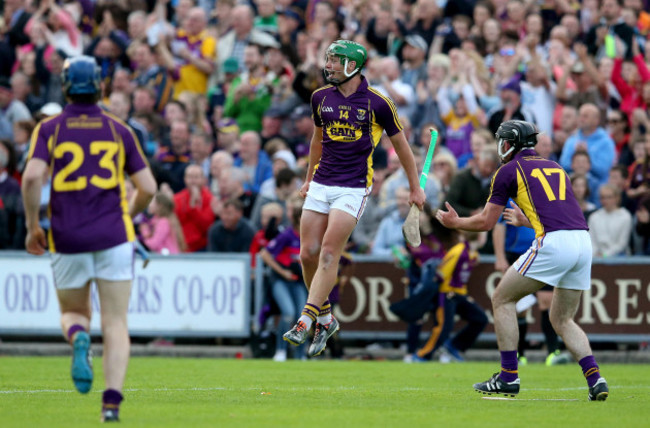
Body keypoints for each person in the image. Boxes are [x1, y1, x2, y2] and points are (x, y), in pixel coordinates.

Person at [21, 56, 157, 421]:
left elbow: (32, 178)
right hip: (113, 235)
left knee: (72, 312)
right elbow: (148, 187)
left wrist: (33, 224)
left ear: (65, 86)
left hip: (67, 237)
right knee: (116, 322)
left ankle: (79, 335)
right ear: (100, 86)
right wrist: (128, 213)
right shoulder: (119, 130)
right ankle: (111, 404)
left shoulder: (49, 129)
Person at [436, 120, 609, 401]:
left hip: (555, 244)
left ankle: (508, 377)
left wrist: (456, 222)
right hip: (582, 242)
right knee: (562, 318)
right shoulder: (556, 167)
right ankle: (595, 378)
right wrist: (527, 220)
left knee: (502, 299)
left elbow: (485, 222)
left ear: (508, 144)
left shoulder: (507, 171)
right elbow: (563, 217)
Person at [282, 40, 426, 358]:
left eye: (335, 60)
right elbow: (317, 141)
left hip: (354, 186)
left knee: (330, 254)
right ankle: (326, 315)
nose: (329, 65)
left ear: (353, 65)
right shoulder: (320, 98)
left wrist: (415, 187)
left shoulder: (379, 103)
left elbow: (402, 147)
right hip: (322, 182)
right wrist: (308, 179)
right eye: (329, 59)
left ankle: (306, 319)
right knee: (307, 253)